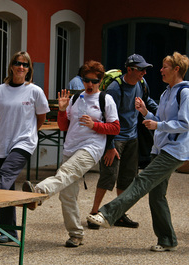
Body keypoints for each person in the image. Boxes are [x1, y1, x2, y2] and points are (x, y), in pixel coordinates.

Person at [87, 52, 189, 252]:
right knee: (157, 195)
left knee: (142, 180)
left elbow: (185, 124)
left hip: (175, 150)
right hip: (161, 147)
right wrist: (145, 112)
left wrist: (157, 124)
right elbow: (160, 118)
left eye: (164, 67)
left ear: (176, 70)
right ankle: (167, 240)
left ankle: (107, 214)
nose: (160, 71)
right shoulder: (166, 92)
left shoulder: (185, 93)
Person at [22, 60, 120, 247]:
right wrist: (61, 110)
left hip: (91, 148)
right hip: (71, 147)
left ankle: (39, 192)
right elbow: (64, 126)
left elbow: (115, 128)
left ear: (100, 81)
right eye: (86, 80)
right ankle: (76, 234)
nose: (90, 84)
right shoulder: (75, 99)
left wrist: (95, 125)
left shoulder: (105, 100)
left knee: (65, 173)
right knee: (67, 195)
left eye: (94, 81)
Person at [0, 51, 50, 243]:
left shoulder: (35, 91)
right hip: (3, 142)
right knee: (7, 187)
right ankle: (9, 232)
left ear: (29, 70)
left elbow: (41, 115)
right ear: (11, 66)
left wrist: (32, 132)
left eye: (26, 65)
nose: (22, 67)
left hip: (25, 141)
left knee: (5, 175)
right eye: (18, 63)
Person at [88, 54, 158, 230]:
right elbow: (107, 119)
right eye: (141, 69)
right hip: (115, 139)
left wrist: (160, 113)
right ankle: (94, 213)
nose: (144, 72)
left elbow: (147, 100)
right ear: (130, 70)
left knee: (127, 177)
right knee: (108, 175)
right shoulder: (115, 88)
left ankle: (119, 213)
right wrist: (110, 146)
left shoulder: (142, 84)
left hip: (132, 138)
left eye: (145, 69)